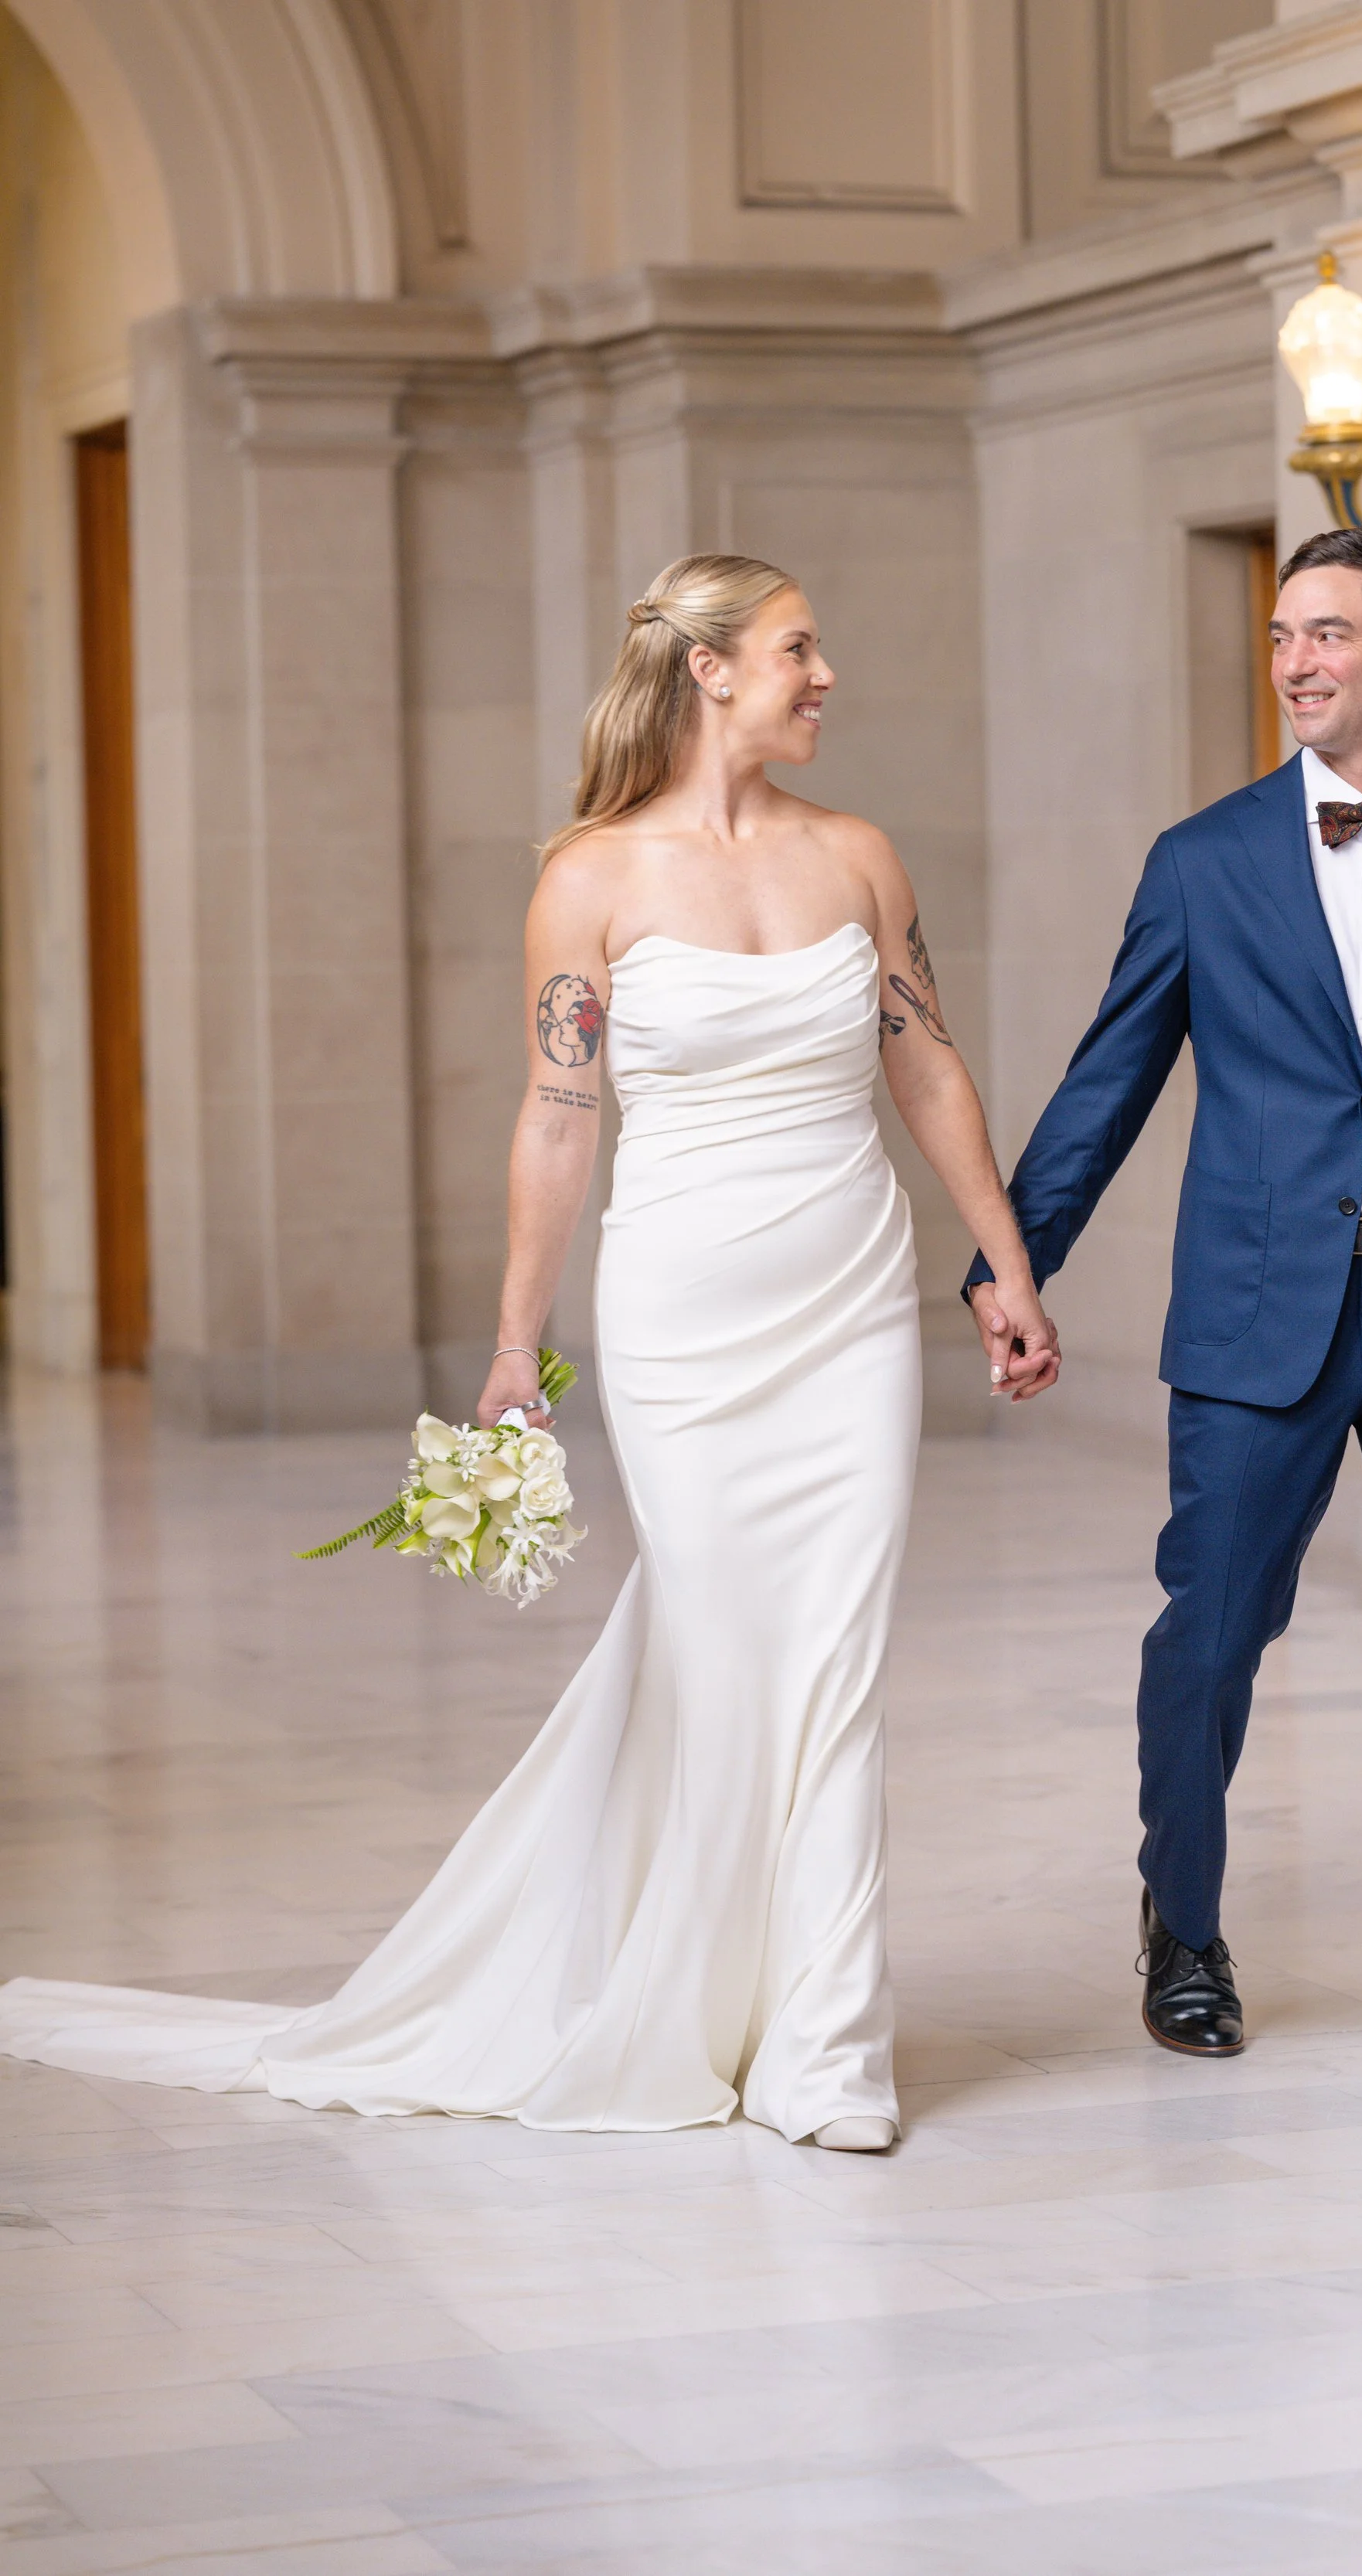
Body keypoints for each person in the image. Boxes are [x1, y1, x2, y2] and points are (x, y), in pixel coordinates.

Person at [0, 553, 1059, 2152]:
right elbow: (561, 1117)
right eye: (795, 648)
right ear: (708, 670)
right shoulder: (588, 881)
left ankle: (826, 2046)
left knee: (836, 1652)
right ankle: (688, 2004)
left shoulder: (859, 861)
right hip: (680, 1320)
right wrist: (515, 1340)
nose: (823, 673)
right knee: (715, 1644)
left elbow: (928, 1075)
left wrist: (1006, 1259)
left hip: (850, 1306)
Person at [967, 526, 1362, 2119]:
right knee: (1212, 1637)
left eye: (1326, 632)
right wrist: (1006, 1259)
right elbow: (1109, 1077)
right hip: (1257, 1319)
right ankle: (1180, 1913)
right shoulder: (1203, 862)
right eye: (1279, 634)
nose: (1296, 659)